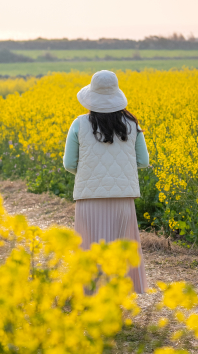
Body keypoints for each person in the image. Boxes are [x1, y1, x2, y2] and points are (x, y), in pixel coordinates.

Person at [63, 70, 149, 293]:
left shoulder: (79, 124)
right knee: (120, 249)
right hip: (123, 200)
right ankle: (117, 297)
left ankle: (93, 298)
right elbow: (143, 161)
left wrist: (89, 175)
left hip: (89, 199)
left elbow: (69, 163)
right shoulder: (131, 124)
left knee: (90, 249)